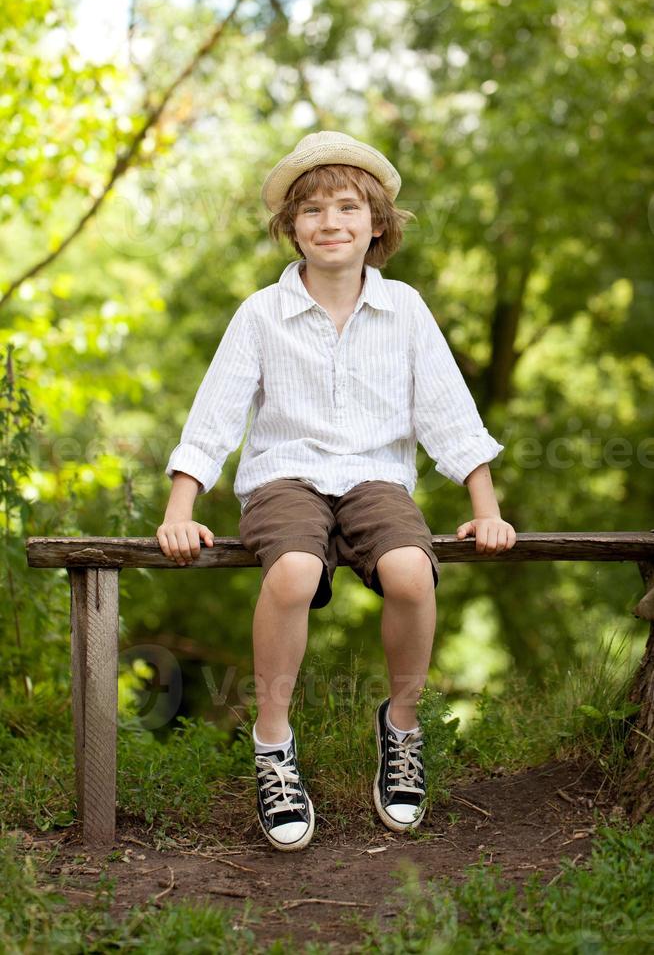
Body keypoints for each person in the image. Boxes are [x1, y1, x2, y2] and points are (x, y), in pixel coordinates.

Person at [157, 130, 516, 852]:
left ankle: (404, 728)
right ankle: (273, 742)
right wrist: (180, 509)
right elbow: (216, 415)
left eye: (347, 207)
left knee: (412, 570)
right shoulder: (260, 314)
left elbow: (449, 411)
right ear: (291, 227)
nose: (330, 222)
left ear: (376, 223)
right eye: (313, 210)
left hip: (376, 477)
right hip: (284, 477)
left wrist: (487, 509)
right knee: (293, 571)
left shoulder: (405, 309)